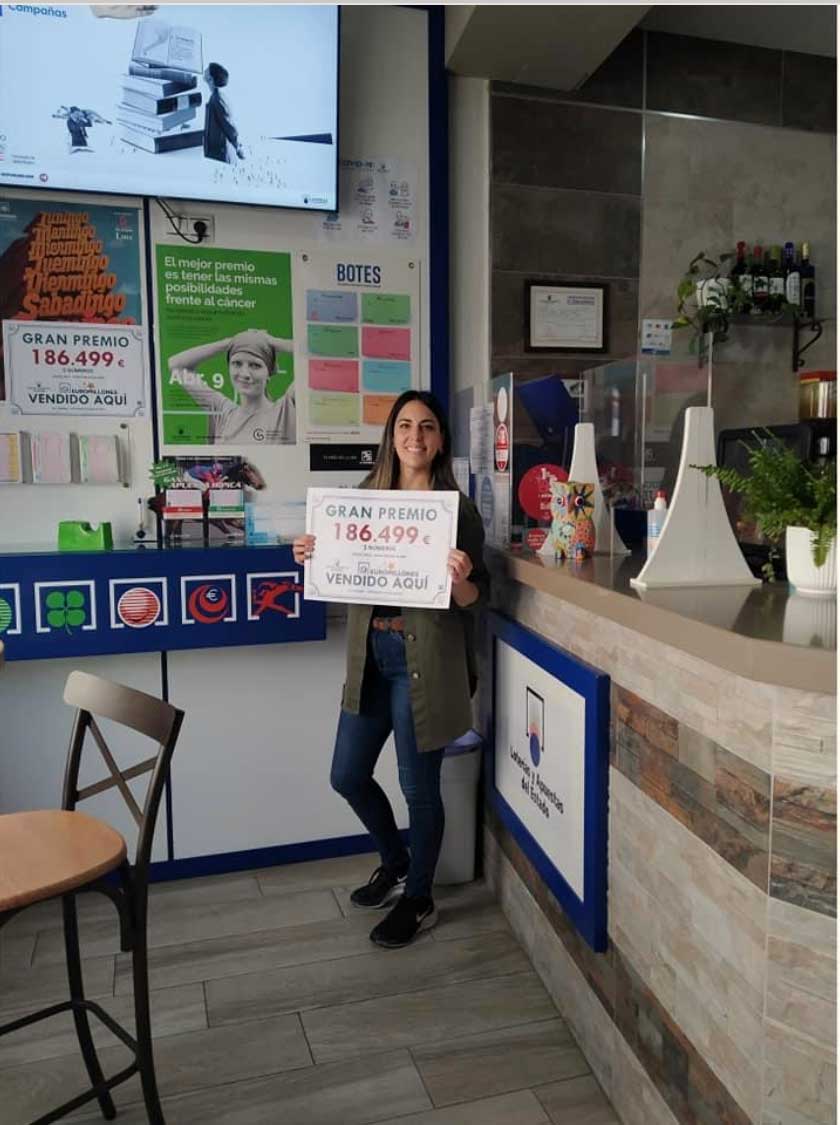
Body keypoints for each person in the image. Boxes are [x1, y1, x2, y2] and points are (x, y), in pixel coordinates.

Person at [293, 391, 490, 949]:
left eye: (427, 427)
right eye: (405, 425)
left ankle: (419, 897)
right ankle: (397, 861)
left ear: (441, 439)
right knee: (347, 775)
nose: (415, 437)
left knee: (418, 788)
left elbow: (480, 598)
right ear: (391, 436)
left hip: (424, 661)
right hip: (371, 655)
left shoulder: (456, 511)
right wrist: (311, 553)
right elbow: (339, 569)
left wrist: (461, 581)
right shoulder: (362, 501)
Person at [167, 330, 295, 444]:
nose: (245, 374)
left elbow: (308, 352)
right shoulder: (223, 412)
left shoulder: (285, 410)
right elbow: (176, 365)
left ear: (269, 372)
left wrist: (273, 341)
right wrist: (228, 343)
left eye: (255, 365)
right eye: (237, 364)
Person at [203, 62, 245, 164]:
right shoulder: (215, 97)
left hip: (220, 156)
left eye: (208, 70)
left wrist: (238, 147)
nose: (205, 70)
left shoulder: (217, 98)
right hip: (215, 154)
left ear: (211, 79)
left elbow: (228, 124)